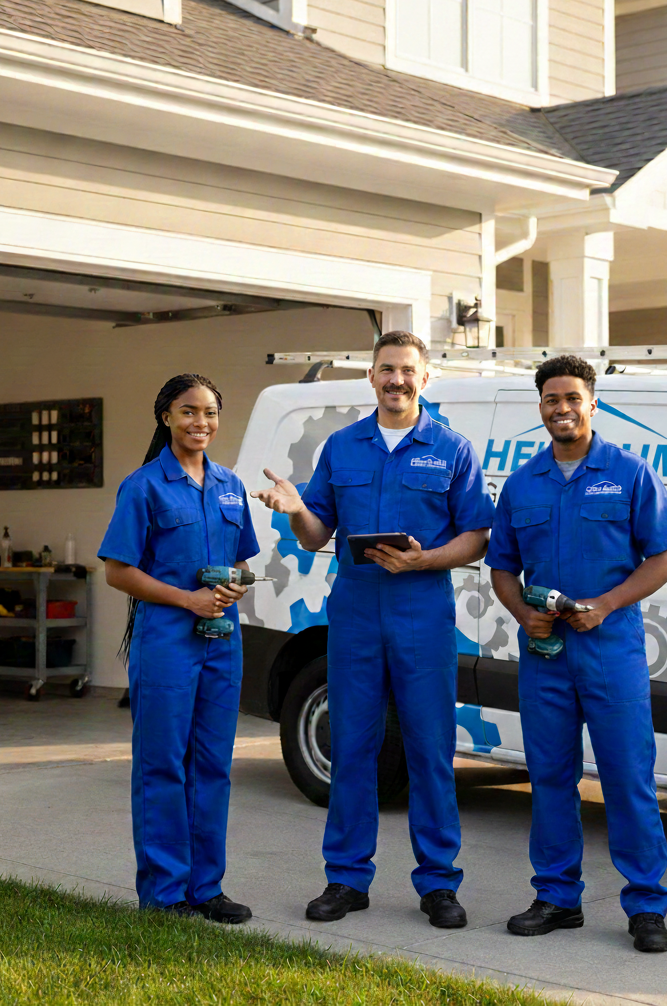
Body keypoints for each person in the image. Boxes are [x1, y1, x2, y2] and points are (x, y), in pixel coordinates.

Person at [252, 331, 494, 929]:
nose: (396, 380)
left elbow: (478, 535)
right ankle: (346, 880)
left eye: (407, 371)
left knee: (431, 750)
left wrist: (426, 559)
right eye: (386, 370)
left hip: (422, 612)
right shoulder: (342, 447)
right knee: (351, 746)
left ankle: (438, 884)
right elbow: (315, 535)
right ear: (372, 378)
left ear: (425, 378)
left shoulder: (452, 448)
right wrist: (297, 510)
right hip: (357, 614)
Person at [485, 354, 667, 953]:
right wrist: (523, 614)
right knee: (549, 777)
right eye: (552, 400)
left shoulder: (629, 473)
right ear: (541, 408)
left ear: (592, 403)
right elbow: (502, 567)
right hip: (546, 654)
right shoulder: (524, 483)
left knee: (629, 779)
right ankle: (556, 897)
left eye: (573, 398)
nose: (562, 409)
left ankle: (646, 906)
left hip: (611, 649)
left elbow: (666, 557)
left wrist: (605, 603)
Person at [99, 373, 259, 921]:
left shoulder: (231, 485)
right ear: (165, 416)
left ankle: (206, 888)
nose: (201, 423)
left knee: (213, 764)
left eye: (210, 413)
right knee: (163, 764)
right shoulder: (143, 486)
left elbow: (241, 561)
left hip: (221, 640)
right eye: (188, 412)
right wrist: (186, 601)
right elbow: (119, 572)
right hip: (167, 639)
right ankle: (165, 894)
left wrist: (236, 583)